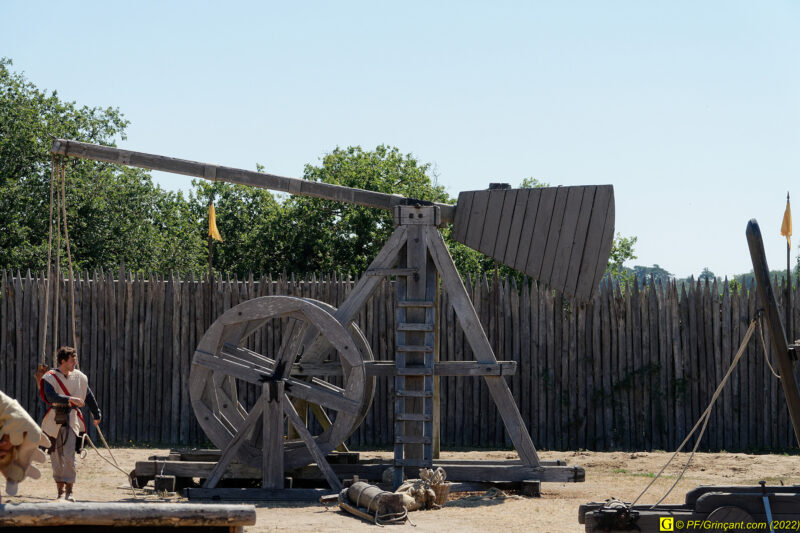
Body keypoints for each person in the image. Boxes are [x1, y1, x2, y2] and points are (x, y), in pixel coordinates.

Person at [40, 346, 101, 502]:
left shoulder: (79, 377)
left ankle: (69, 491)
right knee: (55, 456)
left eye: (75, 360)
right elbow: (50, 396)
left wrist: (96, 413)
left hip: (72, 419)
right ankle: (60, 491)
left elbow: (88, 395)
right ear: (63, 361)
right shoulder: (49, 377)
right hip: (54, 419)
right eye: (72, 360)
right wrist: (70, 399)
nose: (75, 363)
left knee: (69, 455)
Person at [0, 390, 50, 502]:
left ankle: (23, 458)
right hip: (27, 432)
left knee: (5, 458)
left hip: (18, 432)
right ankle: (24, 459)